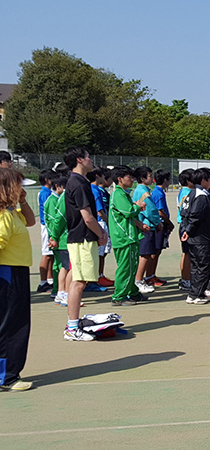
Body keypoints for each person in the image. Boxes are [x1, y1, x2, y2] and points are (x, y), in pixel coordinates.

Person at [62, 146, 106, 341]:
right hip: (83, 238)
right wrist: (101, 233)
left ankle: (73, 324)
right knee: (79, 282)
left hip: (80, 238)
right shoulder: (78, 183)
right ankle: (72, 327)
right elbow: (87, 217)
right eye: (88, 157)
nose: (91, 159)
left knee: (78, 280)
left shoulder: (79, 181)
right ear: (79, 160)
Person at [0, 167, 36, 390]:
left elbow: (30, 221)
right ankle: (6, 376)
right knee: (11, 324)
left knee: (15, 321)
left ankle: (8, 373)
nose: (23, 189)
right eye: (19, 185)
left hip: (17, 271)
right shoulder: (4, 216)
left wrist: (22, 201)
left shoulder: (12, 212)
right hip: (8, 272)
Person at [108, 166, 149, 306]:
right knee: (125, 267)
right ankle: (119, 296)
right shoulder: (118, 194)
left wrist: (138, 222)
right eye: (129, 177)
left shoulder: (122, 193)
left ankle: (133, 292)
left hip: (129, 236)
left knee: (132, 266)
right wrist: (138, 206)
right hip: (124, 237)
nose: (132, 180)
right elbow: (128, 211)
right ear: (120, 179)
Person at [180, 168, 210, 304]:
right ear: (204, 180)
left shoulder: (192, 193)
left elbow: (184, 213)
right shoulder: (201, 195)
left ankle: (194, 293)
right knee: (203, 265)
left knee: (196, 265)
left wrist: (186, 230)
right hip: (200, 237)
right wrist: (188, 231)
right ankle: (196, 294)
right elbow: (195, 216)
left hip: (194, 236)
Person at [44, 174, 71, 308]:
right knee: (64, 267)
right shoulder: (53, 200)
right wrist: (53, 237)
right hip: (61, 239)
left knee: (63, 266)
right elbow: (54, 221)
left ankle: (60, 292)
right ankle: (60, 292)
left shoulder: (59, 198)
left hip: (62, 238)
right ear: (57, 187)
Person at [36, 170, 54, 294]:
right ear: (47, 179)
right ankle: (43, 282)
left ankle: (50, 279)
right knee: (46, 254)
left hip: (49, 225)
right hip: (46, 225)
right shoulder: (45, 193)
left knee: (51, 255)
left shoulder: (47, 192)